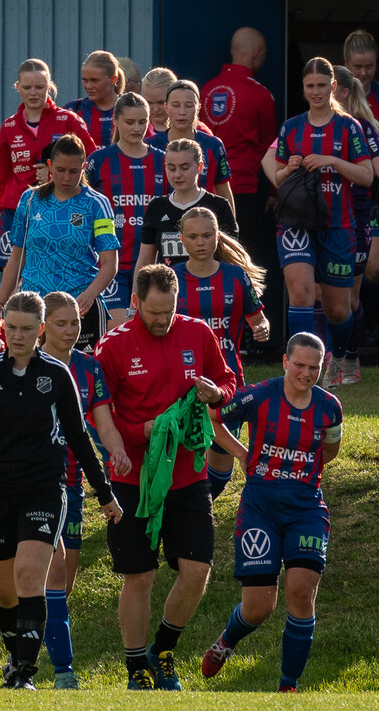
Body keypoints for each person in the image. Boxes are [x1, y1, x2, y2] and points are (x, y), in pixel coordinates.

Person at [0, 290, 124, 690]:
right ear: (4, 328)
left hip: (44, 489)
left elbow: (79, 438)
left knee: (30, 576)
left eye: (27, 329)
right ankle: (14, 657)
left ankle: (24, 674)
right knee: (5, 593)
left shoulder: (56, 374)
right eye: (12, 329)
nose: (18, 336)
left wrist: (104, 493)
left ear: (40, 330)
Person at [95, 264, 237, 691]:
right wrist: (141, 433)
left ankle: (163, 650)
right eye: (154, 312)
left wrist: (218, 393)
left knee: (197, 569)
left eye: (169, 311)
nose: (162, 320)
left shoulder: (198, 333)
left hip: (187, 474)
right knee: (139, 576)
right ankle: (136, 667)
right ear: (135, 302)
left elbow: (228, 380)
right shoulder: (112, 346)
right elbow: (99, 415)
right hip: (132, 478)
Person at [199, 332, 341, 693]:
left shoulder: (330, 407)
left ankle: (288, 687)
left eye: (314, 367)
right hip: (260, 508)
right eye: (299, 365)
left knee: (301, 594)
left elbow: (331, 449)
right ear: (285, 362)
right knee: (259, 607)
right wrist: (243, 454)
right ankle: (227, 641)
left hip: (306, 509)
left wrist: (298, 471)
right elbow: (214, 416)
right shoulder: (260, 394)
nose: (306, 373)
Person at [38, 291, 133, 687]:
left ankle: (37, 644)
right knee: (53, 570)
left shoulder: (89, 368)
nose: (69, 330)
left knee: (63, 582)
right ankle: (61, 671)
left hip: (73, 487)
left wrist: (117, 450)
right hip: (32, 484)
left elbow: (103, 422)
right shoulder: (26, 364)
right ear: (43, 327)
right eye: (60, 323)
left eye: (75, 323)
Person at [271, 57, 372, 389]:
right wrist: (289, 168)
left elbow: (367, 176)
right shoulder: (291, 128)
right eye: (309, 86)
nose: (315, 92)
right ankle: (302, 369)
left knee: (337, 309)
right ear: (303, 89)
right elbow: (278, 178)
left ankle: (339, 358)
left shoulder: (349, 127)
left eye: (321, 85)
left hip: (338, 226)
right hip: (296, 223)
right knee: (300, 291)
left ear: (333, 87)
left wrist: (332, 161)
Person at [0, 134, 119, 352]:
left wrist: (89, 296)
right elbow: (17, 258)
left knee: (81, 370)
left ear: (84, 168)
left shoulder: (97, 204)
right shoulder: (29, 200)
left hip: (78, 307)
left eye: (73, 171)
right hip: (34, 307)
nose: (66, 177)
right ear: (49, 165)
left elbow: (110, 263)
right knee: (29, 368)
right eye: (60, 170)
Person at [171, 207, 271, 498]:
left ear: (218, 236)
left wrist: (262, 327)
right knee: (185, 459)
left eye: (207, 235)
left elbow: (259, 318)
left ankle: (198, 507)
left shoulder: (236, 276)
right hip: (181, 382)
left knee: (221, 469)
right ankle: (186, 511)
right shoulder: (172, 278)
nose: (200, 242)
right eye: (193, 236)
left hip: (228, 380)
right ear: (181, 240)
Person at [0, 58, 96, 272]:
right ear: (17, 87)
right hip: (15, 214)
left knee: (53, 275)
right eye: (27, 87)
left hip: (59, 211)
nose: (33, 93)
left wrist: (55, 175)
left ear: (50, 86)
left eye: (39, 87)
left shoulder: (68, 120)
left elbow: (92, 165)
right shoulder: (9, 127)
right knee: (13, 282)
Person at [332, 65, 379, 384]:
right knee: (322, 295)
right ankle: (326, 359)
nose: (317, 93)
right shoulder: (307, 125)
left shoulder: (361, 127)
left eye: (326, 87)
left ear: (343, 92)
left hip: (356, 218)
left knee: (350, 298)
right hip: (321, 218)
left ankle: (351, 357)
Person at [85, 93, 166, 327]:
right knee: (120, 328)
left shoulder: (163, 161)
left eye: (142, 122)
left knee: (150, 327)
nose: (137, 128)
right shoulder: (99, 161)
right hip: (112, 263)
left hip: (153, 262)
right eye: (130, 122)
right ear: (116, 121)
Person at [200, 28, 279, 257]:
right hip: (244, 190)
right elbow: (271, 148)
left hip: (208, 187)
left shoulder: (206, 90)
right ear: (257, 52)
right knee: (245, 255)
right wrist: (274, 191)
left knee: (210, 253)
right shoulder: (260, 94)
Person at [135, 139, 237, 272]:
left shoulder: (219, 206)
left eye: (184, 168)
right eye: (171, 168)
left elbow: (232, 261)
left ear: (200, 167)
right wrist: (138, 286)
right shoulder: (157, 207)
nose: (177, 175)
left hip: (209, 283)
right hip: (170, 284)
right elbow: (145, 262)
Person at [145, 80, 236, 212]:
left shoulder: (213, 145)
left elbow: (224, 192)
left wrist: (231, 224)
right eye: (175, 105)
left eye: (188, 105)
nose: (182, 112)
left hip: (203, 220)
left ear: (198, 108)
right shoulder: (149, 145)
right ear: (166, 107)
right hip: (162, 219)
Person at [65, 50, 125, 149]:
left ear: (113, 79)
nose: (88, 86)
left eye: (94, 80)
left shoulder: (130, 108)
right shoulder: (73, 110)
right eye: (85, 80)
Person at [343, 29, 379, 120]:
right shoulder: (336, 95)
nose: (363, 73)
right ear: (346, 63)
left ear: (376, 62)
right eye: (357, 67)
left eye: (369, 66)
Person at [141, 67, 177, 134]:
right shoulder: (135, 130)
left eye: (161, 102)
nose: (155, 109)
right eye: (149, 103)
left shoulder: (192, 130)